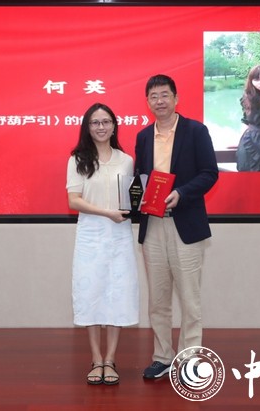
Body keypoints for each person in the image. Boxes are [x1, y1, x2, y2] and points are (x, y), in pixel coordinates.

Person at [134, 75, 218, 379]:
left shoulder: (196, 131)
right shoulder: (144, 136)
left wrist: (181, 193)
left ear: (176, 98)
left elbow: (209, 173)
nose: (159, 101)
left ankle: (190, 358)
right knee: (158, 300)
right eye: (153, 96)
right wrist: (134, 197)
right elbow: (140, 178)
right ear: (147, 102)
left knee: (189, 300)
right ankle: (162, 357)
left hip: (185, 226)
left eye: (164, 95)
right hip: (153, 225)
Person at [66, 102, 139, 386]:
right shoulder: (78, 159)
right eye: (95, 122)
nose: (101, 127)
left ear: (114, 126)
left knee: (117, 294)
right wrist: (107, 212)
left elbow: (132, 197)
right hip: (91, 235)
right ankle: (96, 359)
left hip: (119, 235)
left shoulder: (126, 160)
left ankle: (110, 359)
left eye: (106, 122)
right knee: (91, 294)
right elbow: (74, 201)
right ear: (87, 127)